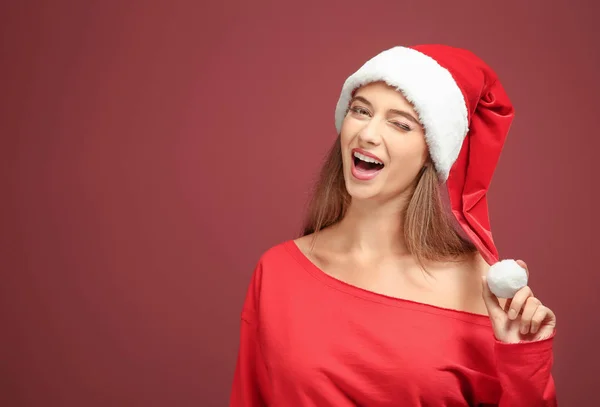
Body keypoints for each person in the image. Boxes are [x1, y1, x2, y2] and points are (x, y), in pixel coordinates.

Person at [229, 44, 558, 406]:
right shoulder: (277, 272)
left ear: (431, 154)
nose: (368, 134)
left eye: (400, 124)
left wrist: (523, 364)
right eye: (360, 110)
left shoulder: (480, 291)